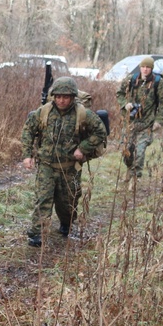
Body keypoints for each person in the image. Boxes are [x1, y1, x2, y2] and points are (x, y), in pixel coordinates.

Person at [21, 77, 107, 247]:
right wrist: (27, 155)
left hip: (70, 168)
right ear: (54, 96)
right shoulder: (43, 112)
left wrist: (83, 148)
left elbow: (100, 133)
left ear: (73, 97)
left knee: (67, 203)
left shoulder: (83, 114)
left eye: (66, 97)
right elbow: (28, 131)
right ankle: (36, 233)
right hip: (46, 165)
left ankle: (66, 223)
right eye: (58, 96)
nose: (61, 100)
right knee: (43, 199)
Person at [117, 56, 163, 180]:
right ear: (140, 67)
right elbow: (119, 93)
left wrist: (159, 121)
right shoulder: (131, 79)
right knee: (126, 152)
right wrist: (125, 104)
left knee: (139, 152)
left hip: (146, 124)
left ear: (152, 69)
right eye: (143, 67)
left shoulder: (159, 83)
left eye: (148, 67)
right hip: (130, 123)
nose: (145, 70)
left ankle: (135, 178)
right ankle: (129, 169)